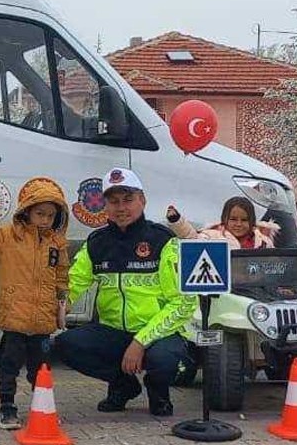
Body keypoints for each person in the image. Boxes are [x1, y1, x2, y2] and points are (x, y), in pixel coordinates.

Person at [57, 167, 194, 417]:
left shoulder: (163, 240)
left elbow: (183, 304)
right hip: (113, 332)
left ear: (143, 200)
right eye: (114, 201)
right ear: (105, 206)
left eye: (128, 199)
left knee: (166, 361)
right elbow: (73, 284)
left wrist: (140, 341)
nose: (121, 208)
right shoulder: (97, 242)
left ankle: (157, 389)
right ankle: (123, 386)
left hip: (157, 334)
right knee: (66, 344)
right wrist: (56, 307)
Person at [0, 177, 70, 429]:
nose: (44, 219)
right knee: (9, 366)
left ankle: (42, 407)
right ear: (26, 211)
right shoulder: (7, 237)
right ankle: (7, 407)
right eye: (39, 213)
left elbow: (62, 275)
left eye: (50, 215)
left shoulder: (57, 244)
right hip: (14, 320)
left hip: (43, 321)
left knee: (40, 370)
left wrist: (63, 300)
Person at [165, 197, 279, 249]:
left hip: (254, 290)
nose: (238, 224)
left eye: (244, 220)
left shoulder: (264, 241)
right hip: (226, 291)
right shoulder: (213, 236)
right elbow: (192, 239)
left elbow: (272, 267)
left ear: (252, 221)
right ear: (224, 220)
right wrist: (177, 221)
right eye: (233, 219)